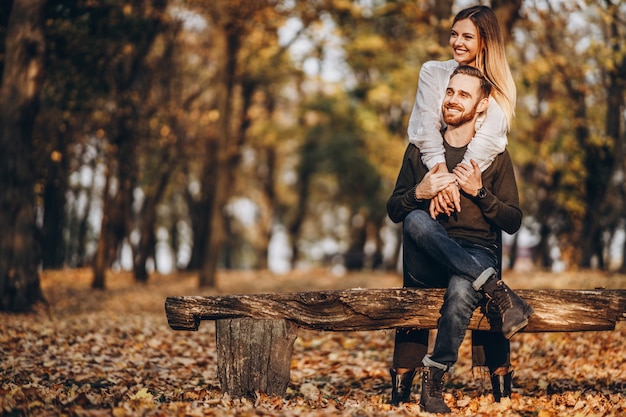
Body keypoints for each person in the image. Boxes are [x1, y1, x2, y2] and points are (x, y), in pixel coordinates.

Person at [386, 66, 534, 414]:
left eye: (463, 94)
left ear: (482, 106)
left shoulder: (494, 156)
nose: (452, 100)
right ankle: (497, 290)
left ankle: (434, 378)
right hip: (428, 259)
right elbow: (395, 209)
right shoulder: (421, 150)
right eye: (450, 92)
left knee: (461, 288)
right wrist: (419, 192)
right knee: (417, 220)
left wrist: (479, 192)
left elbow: (513, 220)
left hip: (475, 255)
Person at [407, 5, 516, 218]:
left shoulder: (500, 89)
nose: (457, 42)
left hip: (470, 192)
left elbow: (485, 144)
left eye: (467, 37)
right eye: (454, 34)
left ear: (485, 42)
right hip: (431, 175)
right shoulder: (433, 72)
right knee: (417, 223)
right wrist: (441, 180)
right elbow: (426, 127)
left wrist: (452, 186)